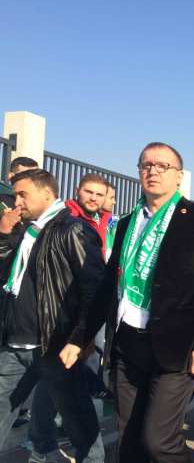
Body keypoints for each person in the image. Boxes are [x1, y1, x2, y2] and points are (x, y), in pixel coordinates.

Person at [60, 142, 194, 463]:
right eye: (146, 165)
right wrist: (80, 337)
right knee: (130, 439)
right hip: (127, 344)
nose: (153, 171)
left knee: (159, 440)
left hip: (176, 348)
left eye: (163, 166)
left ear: (178, 176)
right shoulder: (127, 223)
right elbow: (108, 287)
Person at [0, 169, 105, 463]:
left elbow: (95, 290)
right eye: (16, 195)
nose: (17, 202)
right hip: (15, 344)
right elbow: (7, 275)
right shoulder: (28, 230)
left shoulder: (73, 230)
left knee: (78, 421)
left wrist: (78, 338)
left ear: (47, 193)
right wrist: (4, 235)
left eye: (23, 194)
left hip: (53, 346)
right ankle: (43, 452)